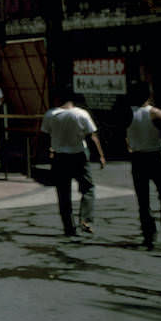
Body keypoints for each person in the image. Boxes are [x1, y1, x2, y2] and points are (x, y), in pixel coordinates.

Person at [41, 87, 107, 237]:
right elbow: (92, 136)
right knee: (88, 188)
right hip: (79, 155)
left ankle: (68, 228)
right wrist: (101, 156)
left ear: (58, 98)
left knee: (63, 193)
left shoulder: (50, 114)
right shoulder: (81, 114)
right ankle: (85, 219)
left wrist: (49, 151)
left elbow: (45, 136)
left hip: (59, 157)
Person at [125, 82, 161, 249]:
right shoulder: (158, 114)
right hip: (155, 156)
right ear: (150, 94)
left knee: (143, 199)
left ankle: (149, 234)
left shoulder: (127, 114)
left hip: (138, 158)